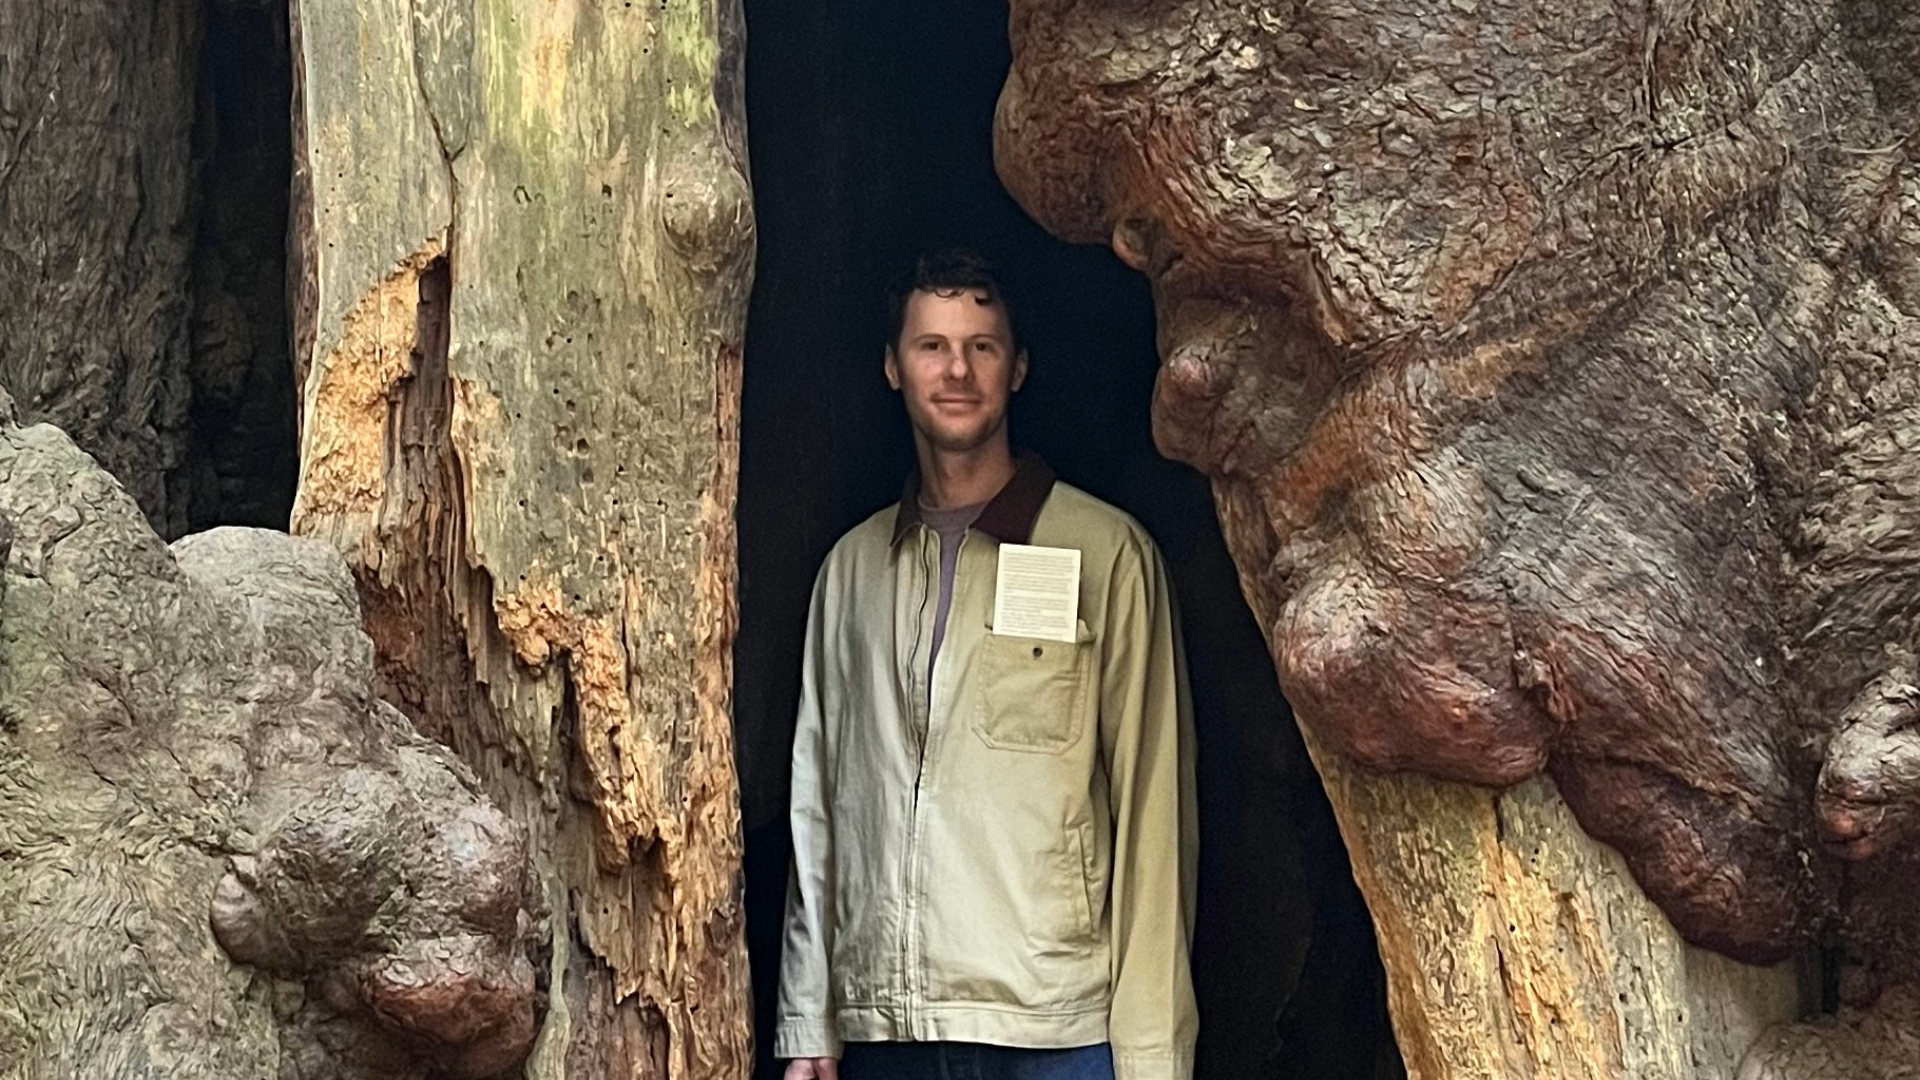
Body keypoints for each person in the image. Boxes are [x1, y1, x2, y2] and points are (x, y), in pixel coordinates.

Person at [775, 249, 1198, 1080]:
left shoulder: (1106, 554)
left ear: (1019, 367)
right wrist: (808, 1016)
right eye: (932, 346)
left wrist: (1152, 1055)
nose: (957, 371)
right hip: (887, 1032)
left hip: (1056, 1034)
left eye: (983, 346)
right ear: (893, 367)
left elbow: (1156, 811)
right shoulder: (852, 570)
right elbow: (815, 803)